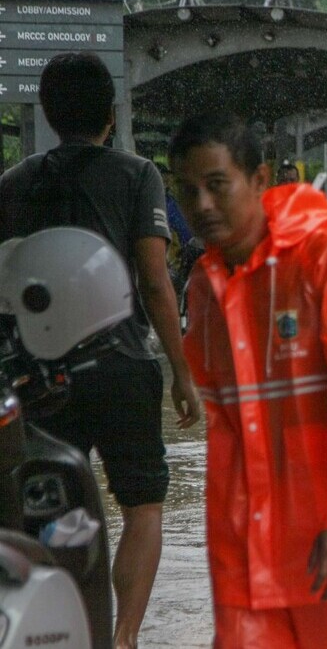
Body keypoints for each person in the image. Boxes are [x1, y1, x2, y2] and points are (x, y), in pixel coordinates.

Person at [168, 112, 327, 648]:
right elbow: (230, 432)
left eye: (216, 185)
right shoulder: (205, 289)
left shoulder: (325, 262)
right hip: (250, 560)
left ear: (259, 179)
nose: (202, 205)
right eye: (187, 191)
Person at [0, 52, 201, 649]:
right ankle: (125, 637)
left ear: (47, 112)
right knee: (143, 504)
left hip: (36, 374)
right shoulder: (138, 175)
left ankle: (56, 629)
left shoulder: (12, 184)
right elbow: (155, 280)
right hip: (121, 364)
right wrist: (182, 372)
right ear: (110, 116)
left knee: (48, 503)